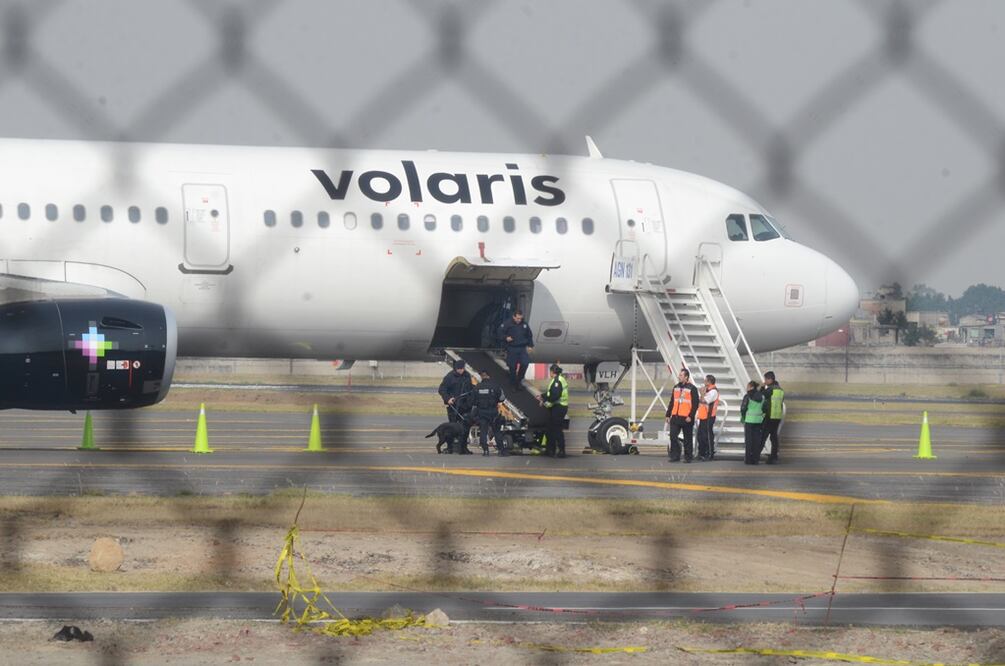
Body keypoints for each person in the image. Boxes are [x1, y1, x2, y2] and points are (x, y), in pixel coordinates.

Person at [665, 368, 699, 463]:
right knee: (673, 436)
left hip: (686, 418)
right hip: (675, 417)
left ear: (686, 377)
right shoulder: (676, 387)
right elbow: (672, 402)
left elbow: (695, 404)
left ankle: (688, 457)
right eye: (679, 375)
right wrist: (668, 414)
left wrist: (690, 416)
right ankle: (675, 456)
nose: (679, 377)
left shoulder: (692, 388)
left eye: (681, 375)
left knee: (687, 438)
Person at [472, 370, 506, 456]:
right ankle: (501, 451)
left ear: (481, 376)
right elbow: (502, 398)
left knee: (483, 431)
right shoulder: (496, 386)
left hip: (482, 412)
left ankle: (485, 451)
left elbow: (473, 400)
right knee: (496, 431)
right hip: (493, 412)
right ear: (489, 376)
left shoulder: (477, 387)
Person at [538, 364, 569, 458]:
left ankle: (561, 450)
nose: (550, 373)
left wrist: (544, 400)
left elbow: (554, 396)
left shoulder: (557, 381)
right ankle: (550, 449)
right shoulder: (557, 380)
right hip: (556, 407)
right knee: (549, 429)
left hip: (559, 407)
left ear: (552, 372)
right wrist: (543, 396)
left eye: (550, 371)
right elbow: (550, 393)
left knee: (557, 430)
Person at [497, 310, 534, 389]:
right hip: (512, 348)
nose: (519, 320)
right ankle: (513, 384)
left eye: (520, 318)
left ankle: (519, 380)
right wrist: (506, 337)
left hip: (522, 348)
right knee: (512, 367)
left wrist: (530, 345)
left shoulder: (524, 324)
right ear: (514, 317)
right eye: (517, 318)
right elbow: (499, 332)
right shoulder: (507, 323)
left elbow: (529, 335)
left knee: (525, 363)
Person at [759, 370, 785, 464]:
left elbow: (760, 396)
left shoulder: (770, 390)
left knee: (763, 436)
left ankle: (756, 455)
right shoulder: (781, 390)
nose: (765, 381)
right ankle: (774, 457)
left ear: (770, 379)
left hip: (769, 416)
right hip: (777, 416)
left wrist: (762, 387)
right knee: (774, 438)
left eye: (766, 379)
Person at [438, 359, 473, 424]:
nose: (461, 370)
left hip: (465, 405)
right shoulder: (449, 377)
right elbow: (442, 389)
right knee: (453, 425)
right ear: (456, 368)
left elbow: (470, 388)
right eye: (459, 369)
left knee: (465, 424)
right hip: (454, 405)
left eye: (462, 369)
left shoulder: (467, 375)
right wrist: (448, 399)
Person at [695, 374, 720, 461]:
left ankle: (709, 453)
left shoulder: (713, 391)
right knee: (700, 436)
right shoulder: (707, 390)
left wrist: (702, 394)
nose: (704, 382)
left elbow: (704, 401)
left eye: (705, 381)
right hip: (703, 416)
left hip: (709, 416)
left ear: (709, 382)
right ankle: (701, 453)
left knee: (707, 436)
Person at [741, 380, 766, 465]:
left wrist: (743, 416)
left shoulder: (747, 396)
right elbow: (764, 408)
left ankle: (748, 459)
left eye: (747, 386)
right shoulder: (762, 396)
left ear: (751, 387)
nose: (746, 388)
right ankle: (755, 459)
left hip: (749, 420)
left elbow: (743, 408)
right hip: (759, 420)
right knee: (756, 441)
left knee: (749, 441)